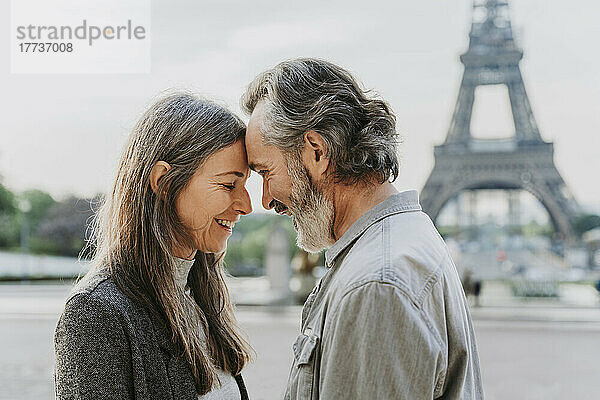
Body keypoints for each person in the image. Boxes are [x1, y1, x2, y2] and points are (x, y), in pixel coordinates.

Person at [242, 58, 484, 399]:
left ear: (316, 152)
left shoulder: (375, 284)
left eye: (266, 172)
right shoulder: (402, 241)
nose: (265, 199)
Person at [54, 93, 254, 399]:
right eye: (229, 184)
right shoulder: (96, 312)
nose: (245, 205)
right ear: (163, 181)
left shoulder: (202, 297)